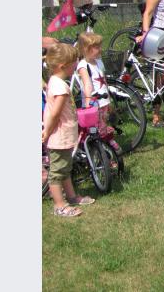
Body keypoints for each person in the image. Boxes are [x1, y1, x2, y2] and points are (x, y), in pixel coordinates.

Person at [42, 43, 95, 217]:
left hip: (63, 136)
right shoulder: (60, 87)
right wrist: (47, 132)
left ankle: (71, 197)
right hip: (58, 137)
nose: (76, 65)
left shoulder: (57, 82)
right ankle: (59, 205)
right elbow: (55, 113)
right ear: (63, 66)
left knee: (65, 169)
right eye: (74, 62)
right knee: (57, 172)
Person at [75, 32, 113, 137]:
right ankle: (97, 146)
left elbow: (104, 80)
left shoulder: (99, 62)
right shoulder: (83, 65)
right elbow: (87, 84)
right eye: (96, 47)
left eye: (99, 46)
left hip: (103, 99)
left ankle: (105, 140)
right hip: (93, 102)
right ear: (86, 49)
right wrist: (88, 103)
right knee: (94, 126)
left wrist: (109, 98)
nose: (100, 49)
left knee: (104, 121)